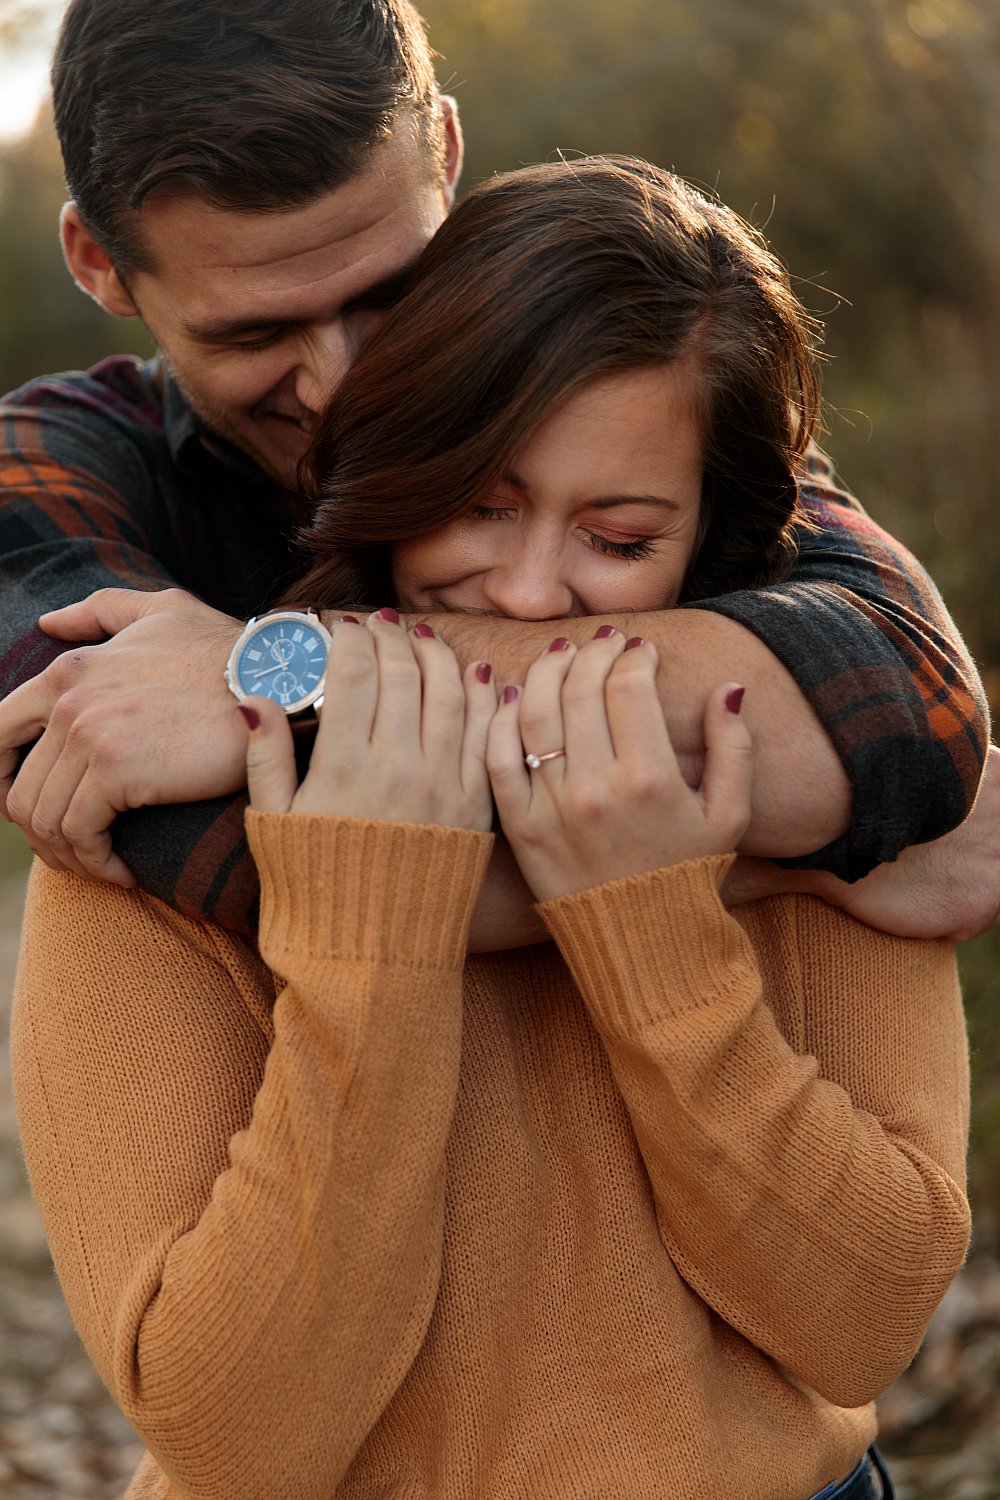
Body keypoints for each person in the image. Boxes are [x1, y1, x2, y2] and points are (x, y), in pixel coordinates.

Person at [13, 155, 970, 1500]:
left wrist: (658, 934)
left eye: (621, 538)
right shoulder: (151, 822)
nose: (532, 595)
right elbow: (239, 1437)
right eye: (481, 502)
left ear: (709, 541)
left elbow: (860, 1324)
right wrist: (372, 934)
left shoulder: (804, 789)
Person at [0, 0, 992, 947]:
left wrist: (282, 671)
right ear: (100, 264)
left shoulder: (610, 372)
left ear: (446, 152)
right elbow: (202, 846)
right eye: (255, 331)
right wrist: (776, 865)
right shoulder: (46, 467)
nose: (343, 384)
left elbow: (900, 703)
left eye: (388, 292)